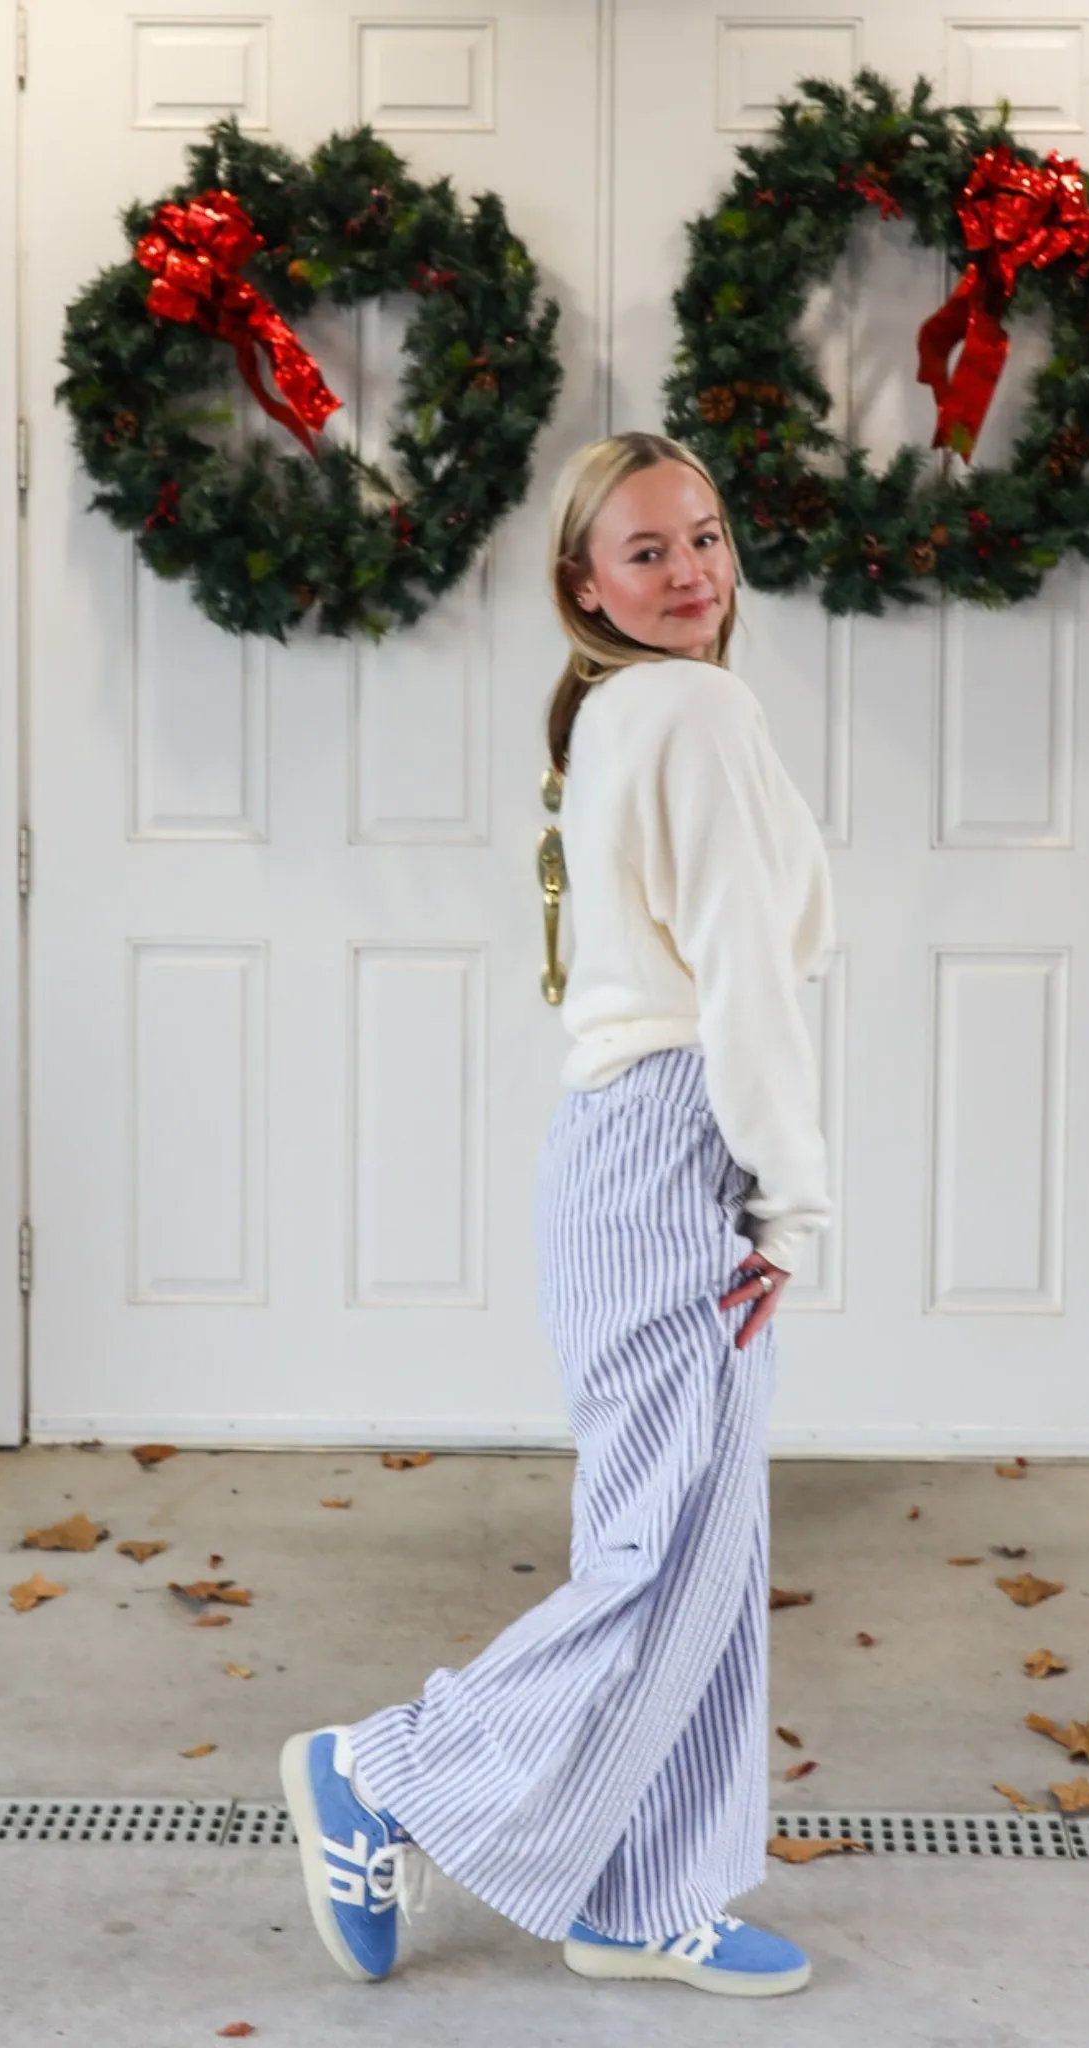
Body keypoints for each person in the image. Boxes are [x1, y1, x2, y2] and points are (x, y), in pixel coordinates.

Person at [279, 430, 836, 1998]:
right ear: (585, 583)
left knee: (694, 1547)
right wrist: (793, 1200)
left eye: (707, 536)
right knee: (669, 1558)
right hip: (678, 1143)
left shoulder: (622, 715)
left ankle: (639, 1896)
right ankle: (383, 1772)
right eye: (647, 550)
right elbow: (742, 984)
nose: (691, 572)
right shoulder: (695, 710)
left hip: (629, 1147)